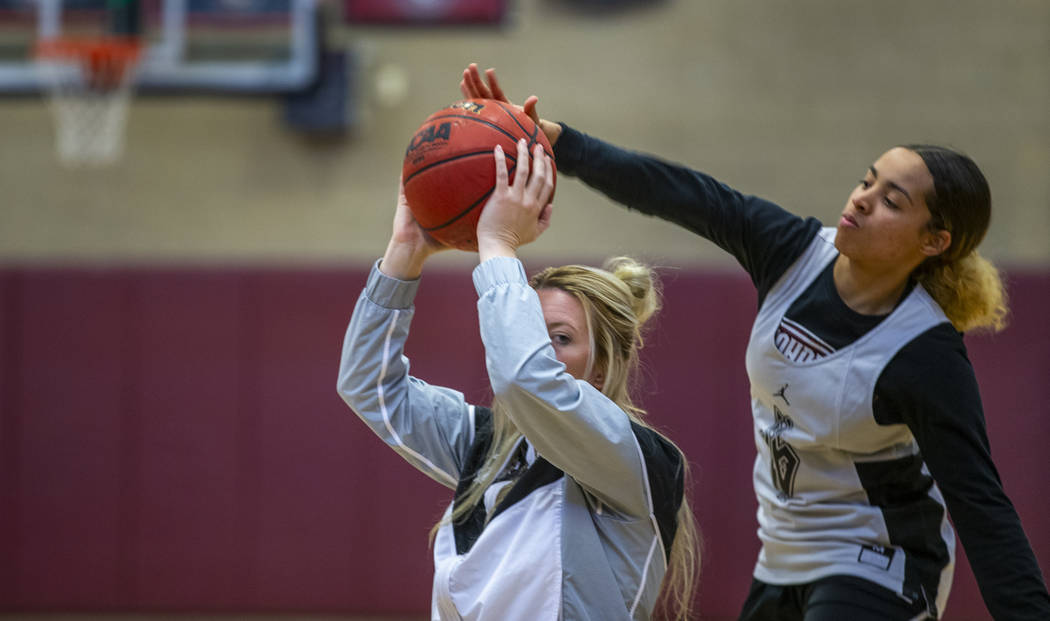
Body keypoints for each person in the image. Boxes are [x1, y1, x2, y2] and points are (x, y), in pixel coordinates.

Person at [458, 64, 1050, 620]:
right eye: (868, 181)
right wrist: (557, 141)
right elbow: (680, 192)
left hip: (879, 560)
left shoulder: (924, 356)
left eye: (892, 201)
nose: (863, 199)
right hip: (785, 552)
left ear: (935, 242)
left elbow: (981, 506)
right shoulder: (790, 250)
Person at [337, 137, 701, 620]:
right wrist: (404, 255)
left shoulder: (633, 457)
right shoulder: (486, 443)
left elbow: (524, 380)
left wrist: (498, 243)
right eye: (535, 331)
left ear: (602, 365)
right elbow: (369, 384)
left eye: (562, 337)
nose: (541, 348)